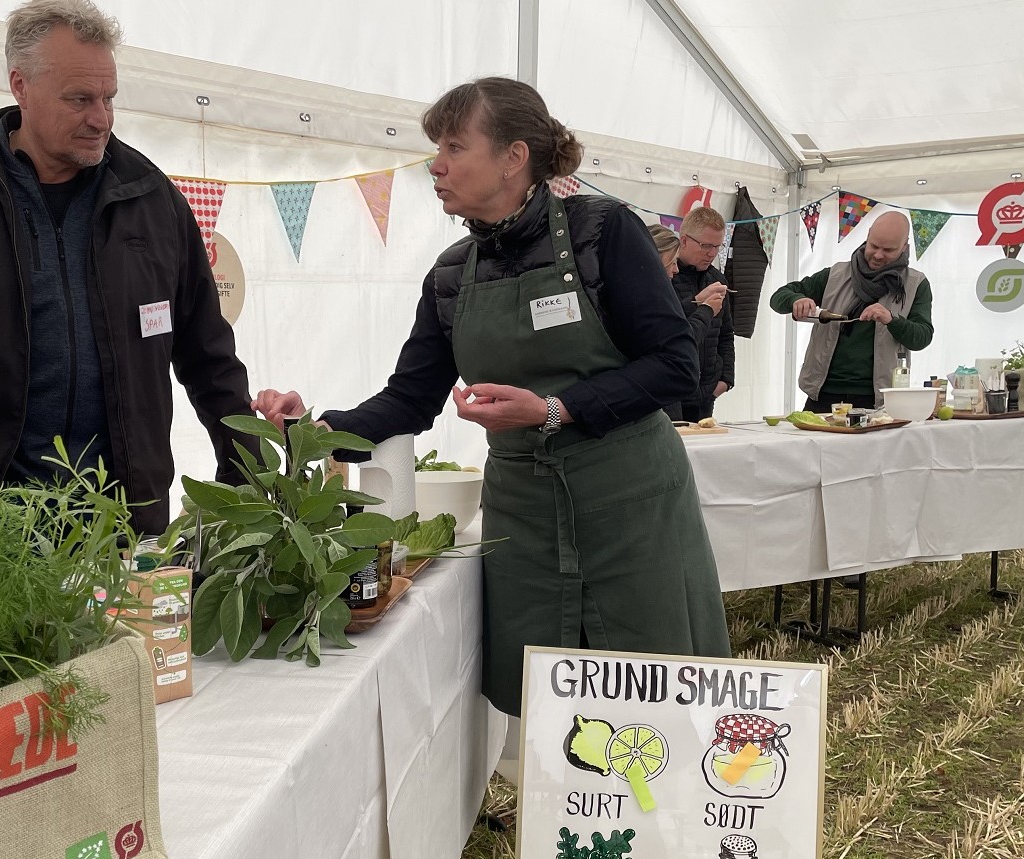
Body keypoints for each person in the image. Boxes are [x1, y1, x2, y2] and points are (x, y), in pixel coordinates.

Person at [253, 77, 731, 717]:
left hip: (629, 502)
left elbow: (675, 363)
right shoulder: (452, 274)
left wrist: (557, 409)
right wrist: (310, 426)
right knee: (549, 706)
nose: (437, 165)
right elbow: (408, 401)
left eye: (454, 146)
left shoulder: (602, 232)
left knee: (652, 690)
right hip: (525, 514)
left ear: (514, 157)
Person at [0, 0, 255, 536]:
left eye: (109, 98)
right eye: (79, 99)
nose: (101, 118)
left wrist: (247, 475)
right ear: (20, 86)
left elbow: (207, 352)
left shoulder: (151, 197)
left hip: (120, 517)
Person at [770, 210, 933, 411]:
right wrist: (796, 299)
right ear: (867, 237)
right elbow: (777, 298)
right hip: (823, 393)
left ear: (904, 247)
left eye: (888, 250)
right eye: (874, 246)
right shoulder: (835, 275)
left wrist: (892, 320)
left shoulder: (916, 284)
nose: (878, 255)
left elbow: (923, 337)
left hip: (878, 400)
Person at [670, 206, 734, 422]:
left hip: (707, 392)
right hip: (672, 394)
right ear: (684, 240)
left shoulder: (718, 279)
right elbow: (666, 327)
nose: (712, 253)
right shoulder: (665, 276)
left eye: (718, 246)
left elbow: (726, 332)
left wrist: (726, 378)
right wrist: (698, 303)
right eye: (706, 245)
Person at [648, 224, 685, 421]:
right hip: (655, 399)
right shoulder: (650, 298)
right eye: (673, 261)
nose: (676, 269)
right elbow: (676, 344)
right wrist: (704, 311)